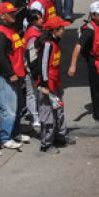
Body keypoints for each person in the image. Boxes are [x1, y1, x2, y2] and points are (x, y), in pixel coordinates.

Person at [0, 2, 29, 150]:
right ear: (2, 15)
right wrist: (10, 73)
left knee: (17, 107)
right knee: (9, 109)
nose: (14, 15)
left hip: (17, 74)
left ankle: (15, 133)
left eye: (13, 12)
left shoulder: (9, 28)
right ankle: (5, 138)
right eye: (10, 13)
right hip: (7, 77)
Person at [33, 17, 73, 154]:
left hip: (55, 84)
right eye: (62, 28)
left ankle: (61, 137)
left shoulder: (55, 43)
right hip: (47, 86)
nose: (64, 30)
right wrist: (44, 85)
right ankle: (46, 144)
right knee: (47, 114)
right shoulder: (48, 45)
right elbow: (43, 65)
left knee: (59, 111)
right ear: (54, 31)